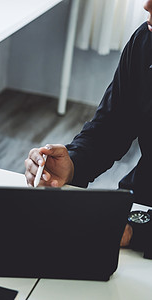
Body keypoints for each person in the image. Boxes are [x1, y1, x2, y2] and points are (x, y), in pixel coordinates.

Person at [24, 0, 152, 247]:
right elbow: (112, 127)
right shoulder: (145, 41)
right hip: (139, 202)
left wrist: (136, 234)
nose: (146, 5)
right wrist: (72, 165)